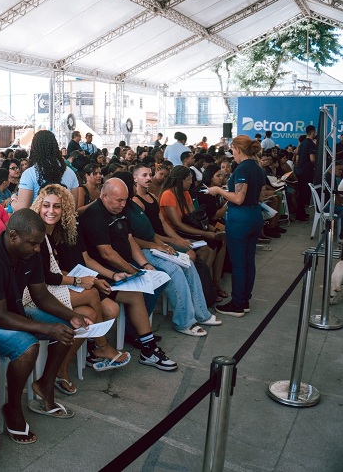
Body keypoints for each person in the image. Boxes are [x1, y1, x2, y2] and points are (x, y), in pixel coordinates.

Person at [0, 209, 92, 445]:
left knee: (64, 327)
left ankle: (44, 384)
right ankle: (12, 407)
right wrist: (46, 329)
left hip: (11, 313)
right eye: (33, 244)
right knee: (27, 347)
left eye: (39, 244)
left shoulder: (30, 252)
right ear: (13, 235)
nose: (38, 249)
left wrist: (72, 316)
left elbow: (41, 296)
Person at [31, 185, 176, 390]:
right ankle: (102, 346)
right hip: (45, 291)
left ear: (65, 210)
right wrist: (85, 281)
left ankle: (144, 347)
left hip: (73, 281)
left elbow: (85, 259)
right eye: (46, 206)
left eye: (58, 206)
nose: (51, 210)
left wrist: (110, 275)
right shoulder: (37, 233)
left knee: (93, 312)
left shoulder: (68, 229)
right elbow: (47, 275)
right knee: (97, 301)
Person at [122, 172, 220, 336]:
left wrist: (163, 245)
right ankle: (184, 322)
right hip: (141, 251)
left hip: (153, 245)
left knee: (187, 263)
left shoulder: (134, 206)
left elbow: (151, 231)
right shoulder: (125, 208)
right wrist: (156, 245)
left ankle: (201, 313)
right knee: (174, 270)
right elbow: (131, 240)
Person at [77, 178, 162, 338]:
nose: (123, 204)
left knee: (158, 279)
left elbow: (130, 239)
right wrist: (134, 271)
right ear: (105, 196)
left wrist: (144, 264)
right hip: (106, 268)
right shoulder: (95, 214)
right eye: (119, 200)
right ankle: (137, 333)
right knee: (141, 287)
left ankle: (135, 329)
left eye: (125, 200)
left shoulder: (119, 209)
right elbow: (106, 254)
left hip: (124, 264)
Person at [205, 136, 265, 317]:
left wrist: (219, 191)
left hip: (240, 219)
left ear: (238, 149)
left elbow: (238, 198)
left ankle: (238, 303)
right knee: (248, 261)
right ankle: (244, 299)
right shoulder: (257, 168)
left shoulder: (242, 169)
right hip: (255, 215)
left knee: (239, 264)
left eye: (232, 149)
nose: (232, 153)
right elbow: (259, 195)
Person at [13, 130, 78, 210]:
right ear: (55, 147)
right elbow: (74, 207)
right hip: (64, 221)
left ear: (34, 148)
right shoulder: (70, 173)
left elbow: (21, 209)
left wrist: (13, 200)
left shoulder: (29, 174)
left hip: (36, 221)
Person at [294, 125, 317, 222]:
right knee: (304, 194)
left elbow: (297, 158)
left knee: (301, 193)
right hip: (306, 172)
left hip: (299, 171)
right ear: (313, 131)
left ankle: (301, 212)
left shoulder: (302, 143)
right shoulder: (310, 144)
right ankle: (300, 215)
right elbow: (312, 159)